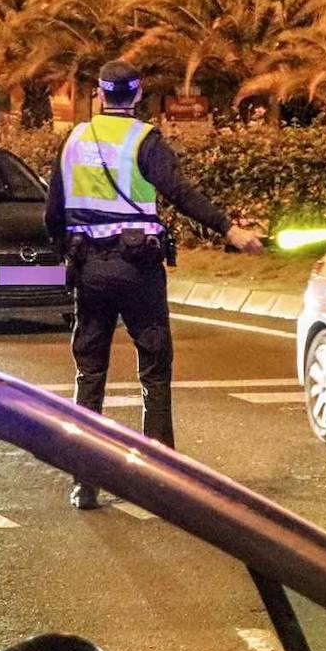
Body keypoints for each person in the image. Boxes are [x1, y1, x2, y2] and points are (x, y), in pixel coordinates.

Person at [45, 60, 264, 510]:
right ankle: (160, 478)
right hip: (137, 269)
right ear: (138, 95)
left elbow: (53, 211)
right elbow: (180, 194)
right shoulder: (145, 140)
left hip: (89, 269)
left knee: (90, 373)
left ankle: (84, 481)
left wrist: (63, 254)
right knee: (155, 368)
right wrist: (230, 230)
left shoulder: (74, 139)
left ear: (100, 95)